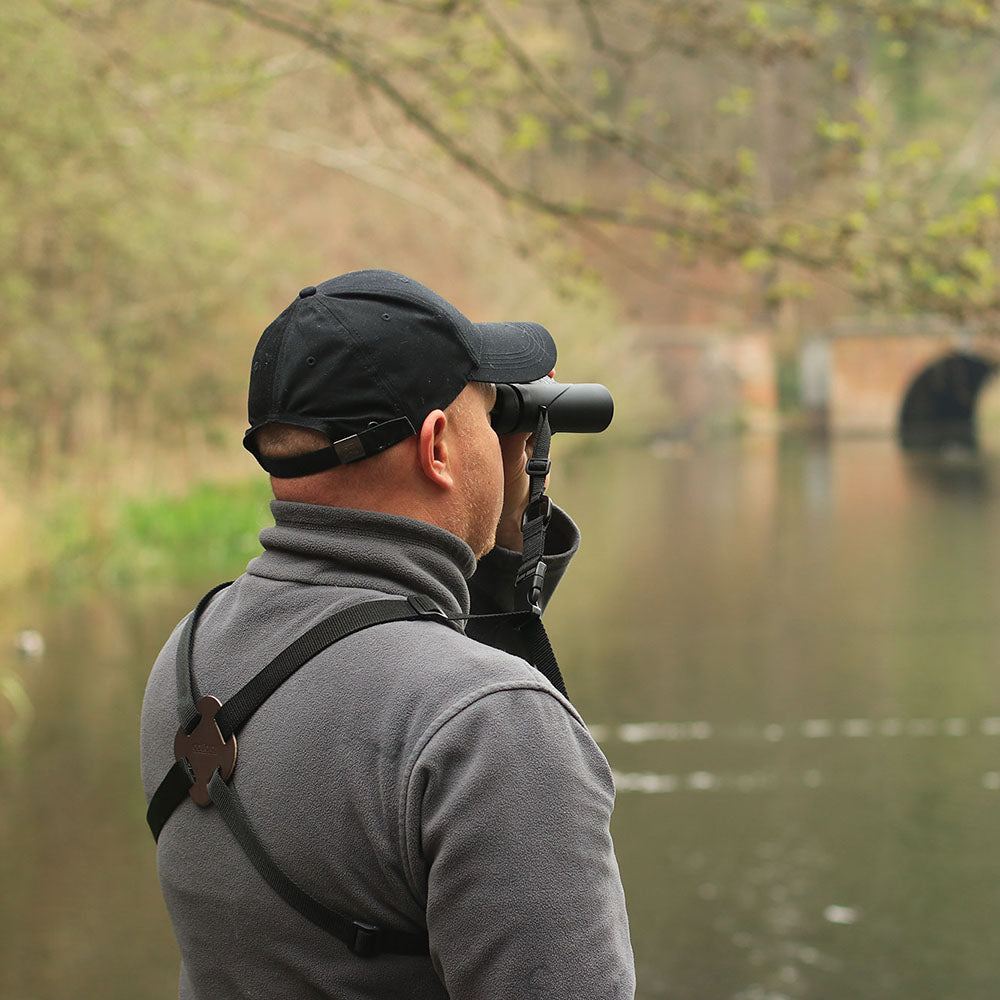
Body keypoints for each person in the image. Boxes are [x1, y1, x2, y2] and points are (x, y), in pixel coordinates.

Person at [140, 268, 635, 1000]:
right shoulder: (488, 726)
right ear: (437, 446)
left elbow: (401, 648)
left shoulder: (191, 652)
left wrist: (502, 517)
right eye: (485, 411)